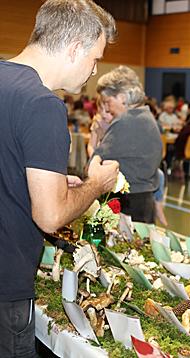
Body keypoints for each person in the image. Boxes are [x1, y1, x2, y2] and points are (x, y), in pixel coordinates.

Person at [0, 1, 119, 356]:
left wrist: (45, 183)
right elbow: (49, 216)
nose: (94, 71)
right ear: (74, 49)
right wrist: (96, 185)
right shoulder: (42, 104)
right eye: (95, 59)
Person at [95, 66, 162, 223]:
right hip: (144, 199)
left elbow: (94, 163)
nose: (106, 108)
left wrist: (98, 137)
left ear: (122, 97)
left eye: (108, 102)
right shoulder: (146, 115)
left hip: (129, 202)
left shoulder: (125, 121)